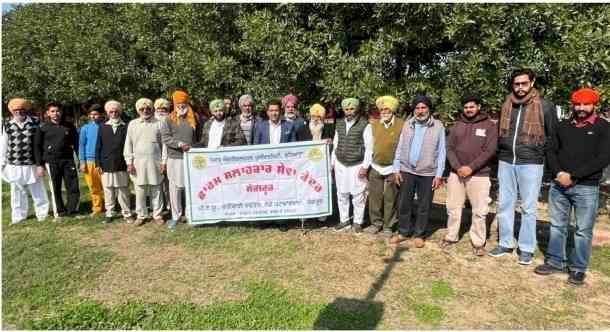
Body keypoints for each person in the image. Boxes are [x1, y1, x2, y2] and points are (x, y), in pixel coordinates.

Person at [534, 88, 610, 285]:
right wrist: (559, 173)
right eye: (577, 104)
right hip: (559, 185)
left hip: (586, 187)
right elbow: (550, 150)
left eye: (586, 104)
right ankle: (555, 261)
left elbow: (603, 158)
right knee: (557, 226)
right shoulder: (562, 126)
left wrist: (574, 176)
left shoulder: (604, 128)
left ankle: (578, 269)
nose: (581, 108)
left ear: (595, 105)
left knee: (583, 230)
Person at [488, 68, 559, 265]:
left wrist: (539, 153)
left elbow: (552, 136)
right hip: (506, 160)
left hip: (531, 162)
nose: (520, 88)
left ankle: (527, 248)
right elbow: (501, 132)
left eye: (523, 83)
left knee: (528, 207)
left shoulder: (545, 106)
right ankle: (505, 243)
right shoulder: (507, 105)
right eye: (516, 84)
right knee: (505, 204)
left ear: (532, 82)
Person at [441, 94, 497, 256]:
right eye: (466, 107)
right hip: (455, 174)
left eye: (472, 106)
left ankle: (478, 242)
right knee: (453, 207)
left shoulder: (489, 126)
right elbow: (449, 147)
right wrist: (457, 167)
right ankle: (451, 236)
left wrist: (471, 168)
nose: (468, 110)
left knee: (480, 211)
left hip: (479, 175)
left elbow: (490, 150)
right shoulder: (457, 125)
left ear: (478, 107)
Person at [389, 95, 446, 248]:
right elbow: (400, 147)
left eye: (423, 108)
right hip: (407, 170)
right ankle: (403, 231)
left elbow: (442, 152)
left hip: (428, 172)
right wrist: (396, 168)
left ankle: (420, 234)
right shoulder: (408, 124)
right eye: (417, 108)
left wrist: (439, 174)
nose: (420, 111)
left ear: (429, 109)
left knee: (424, 205)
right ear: (414, 110)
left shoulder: (438, 126)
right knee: (404, 203)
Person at [1, 98, 50, 224]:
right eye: (16, 110)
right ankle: (18, 217)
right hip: (14, 164)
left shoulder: (35, 122)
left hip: (32, 163)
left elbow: (41, 143)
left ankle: (42, 214)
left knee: (38, 189)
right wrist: (2, 162)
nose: (19, 112)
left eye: (22, 109)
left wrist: (42, 163)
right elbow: (4, 144)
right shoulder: (7, 124)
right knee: (17, 192)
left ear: (26, 110)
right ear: (12, 111)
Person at [364, 96, 404, 237]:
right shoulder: (373, 125)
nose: (384, 111)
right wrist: (366, 166)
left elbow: (402, 147)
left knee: (390, 198)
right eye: (382, 109)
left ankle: (388, 226)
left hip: (393, 167)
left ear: (392, 110)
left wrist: (398, 168)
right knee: (374, 197)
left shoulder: (402, 124)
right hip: (376, 166)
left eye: (387, 109)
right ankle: (376, 223)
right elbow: (369, 147)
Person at [160, 91, 199, 230]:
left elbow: (198, 138)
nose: (181, 106)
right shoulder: (169, 119)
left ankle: (190, 215)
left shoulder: (194, 118)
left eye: (183, 104)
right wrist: (179, 144)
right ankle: (175, 216)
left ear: (187, 104)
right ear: (174, 105)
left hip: (191, 158)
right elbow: (165, 138)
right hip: (174, 158)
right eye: (178, 104)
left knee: (190, 187)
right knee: (175, 187)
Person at [331, 98, 371, 233]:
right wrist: (333, 163)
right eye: (346, 109)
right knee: (342, 193)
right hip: (341, 164)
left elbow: (369, 148)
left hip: (357, 164)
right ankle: (344, 220)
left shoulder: (365, 125)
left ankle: (358, 221)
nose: (349, 112)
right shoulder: (339, 123)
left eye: (352, 109)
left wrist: (365, 167)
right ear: (343, 110)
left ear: (357, 109)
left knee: (358, 194)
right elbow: (336, 144)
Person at [124, 98, 165, 226]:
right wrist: (129, 162)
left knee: (156, 188)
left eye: (148, 108)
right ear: (138, 110)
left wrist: (164, 162)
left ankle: (157, 215)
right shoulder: (132, 124)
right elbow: (128, 145)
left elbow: (164, 145)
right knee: (140, 189)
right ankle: (141, 215)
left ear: (152, 109)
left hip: (155, 162)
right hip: (138, 163)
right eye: (142, 109)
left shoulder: (159, 123)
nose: (145, 111)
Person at [35, 101, 80, 219]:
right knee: (55, 187)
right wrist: (39, 164)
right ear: (47, 113)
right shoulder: (42, 127)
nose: (56, 113)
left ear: (62, 112)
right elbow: (37, 146)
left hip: (68, 160)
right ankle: (59, 211)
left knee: (73, 185)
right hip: (51, 162)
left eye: (58, 111)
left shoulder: (69, 126)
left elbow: (76, 144)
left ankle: (72, 210)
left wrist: (81, 160)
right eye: (53, 111)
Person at [96, 100, 134, 224]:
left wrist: (130, 162)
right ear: (107, 113)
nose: (114, 113)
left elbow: (130, 145)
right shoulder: (102, 127)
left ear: (120, 111)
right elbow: (98, 146)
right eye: (111, 111)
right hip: (106, 164)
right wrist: (98, 164)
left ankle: (127, 213)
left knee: (123, 190)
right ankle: (109, 212)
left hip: (121, 164)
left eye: (116, 111)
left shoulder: (126, 126)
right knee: (108, 191)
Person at [79, 104, 105, 216]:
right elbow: (81, 145)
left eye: (96, 114)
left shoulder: (105, 126)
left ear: (101, 115)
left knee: (107, 186)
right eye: (91, 114)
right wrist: (82, 161)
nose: (93, 116)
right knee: (93, 186)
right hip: (89, 161)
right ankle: (97, 207)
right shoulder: (85, 128)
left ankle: (110, 206)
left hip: (103, 161)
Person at [154, 98, 172, 214]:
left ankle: (170, 205)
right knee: (157, 183)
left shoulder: (171, 120)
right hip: (155, 157)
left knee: (169, 182)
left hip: (169, 156)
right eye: (159, 108)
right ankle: (160, 205)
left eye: (164, 109)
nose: (161, 111)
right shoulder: (153, 121)